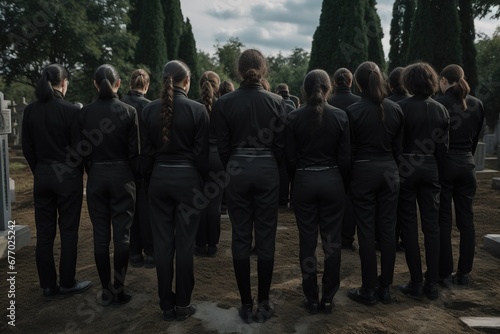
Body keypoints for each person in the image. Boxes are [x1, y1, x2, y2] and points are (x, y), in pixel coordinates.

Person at [213, 49, 286, 324]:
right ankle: (264, 302)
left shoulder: (224, 103)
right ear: (263, 70)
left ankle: (246, 305)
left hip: (237, 169)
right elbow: (281, 147)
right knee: (266, 237)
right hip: (267, 169)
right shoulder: (278, 101)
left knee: (240, 237)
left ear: (239, 71)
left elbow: (222, 147)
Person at [141, 60, 209, 321]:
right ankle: (183, 303)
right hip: (188, 180)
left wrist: (151, 182)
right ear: (187, 82)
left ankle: (165, 303)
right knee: (184, 244)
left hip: (159, 179)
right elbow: (202, 157)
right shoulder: (198, 110)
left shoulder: (148, 111)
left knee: (162, 244)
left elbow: (145, 156)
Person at [22, 64, 92, 300]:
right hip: (67, 177)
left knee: (44, 234)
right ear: (63, 83)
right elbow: (79, 148)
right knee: (68, 232)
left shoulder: (30, 111)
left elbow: (27, 148)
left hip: (42, 176)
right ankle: (67, 282)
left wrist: (40, 170)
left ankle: (48, 286)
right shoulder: (72, 111)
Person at [286, 69, 350, 314]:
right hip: (333, 179)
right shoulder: (341, 117)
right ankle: (329, 297)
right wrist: (342, 184)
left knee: (307, 242)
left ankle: (311, 297)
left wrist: (296, 182)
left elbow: (289, 157)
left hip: (304, 180)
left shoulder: (293, 117)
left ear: (304, 89)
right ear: (328, 88)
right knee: (332, 242)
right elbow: (345, 157)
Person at [80, 64, 138, 306]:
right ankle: (119, 288)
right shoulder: (129, 111)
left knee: (101, 237)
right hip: (123, 177)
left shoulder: (84, 113)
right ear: (119, 83)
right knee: (122, 237)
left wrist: (92, 171)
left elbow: (81, 150)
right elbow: (135, 153)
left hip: (96, 177)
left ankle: (106, 290)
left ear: (95, 83)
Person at [346, 61, 404, 306]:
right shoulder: (396, 110)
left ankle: (369, 288)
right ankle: (386, 287)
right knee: (388, 230)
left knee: (366, 231)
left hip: (363, 171)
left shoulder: (352, 112)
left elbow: (348, 151)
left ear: (358, 83)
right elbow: (399, 150)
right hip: (390, 171)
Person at [397, 62, 450, 300]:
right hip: (430, 167)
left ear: (408, 82)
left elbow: (396, 143)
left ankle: (416, 281)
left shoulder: (400, 107)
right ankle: (432, 282)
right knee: (432, 226)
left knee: (408, 226)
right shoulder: (441, 109)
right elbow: (443, 148)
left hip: (407, 167)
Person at [436, 64, 485, 287]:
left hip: (445, 165)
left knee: (443, 220)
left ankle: (444, 273)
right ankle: (464, 273)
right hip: (467, 164)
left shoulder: (439, 103)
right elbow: (475, 139)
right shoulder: (477, 104)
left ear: (444, 80)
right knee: (467, 222)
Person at [121, 69, 155, 269]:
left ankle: (134, 254)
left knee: (129, 211)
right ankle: (151, 254)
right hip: (148, 164)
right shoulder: (150, 107)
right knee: (148, 210)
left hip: (126, 164)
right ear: (147, 85)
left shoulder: (121, 105)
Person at [327, 67, 361, 251]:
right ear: (350, 82)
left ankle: (331, 238)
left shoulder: (327, 100)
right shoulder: (359, 102)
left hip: (329, 157)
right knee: (349, 198)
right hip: (353, 157)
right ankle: (347, 238)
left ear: (334, 82)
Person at [195, 70, 224, 257]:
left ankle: (199, 244)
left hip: (198, 157)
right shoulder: (224, 105)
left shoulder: (194, 106)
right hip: (218, 157)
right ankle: (212, 244)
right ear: (217, 85)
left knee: (198, 203)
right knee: (215, 204)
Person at [386, 66, 411, 252]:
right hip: (414, 161)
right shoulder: (415, 102)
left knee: (389, 206)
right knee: (407, 208)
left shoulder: (386, 104)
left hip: (393, 161)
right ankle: (404, 239)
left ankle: (388, 240)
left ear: (390, 83)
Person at [275, 83, 296, 208]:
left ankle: (282, 199)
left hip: (279, 143)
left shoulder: (276, 104)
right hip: (292, 143)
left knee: (282, 172)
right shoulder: (293, 106)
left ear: (278, 92)